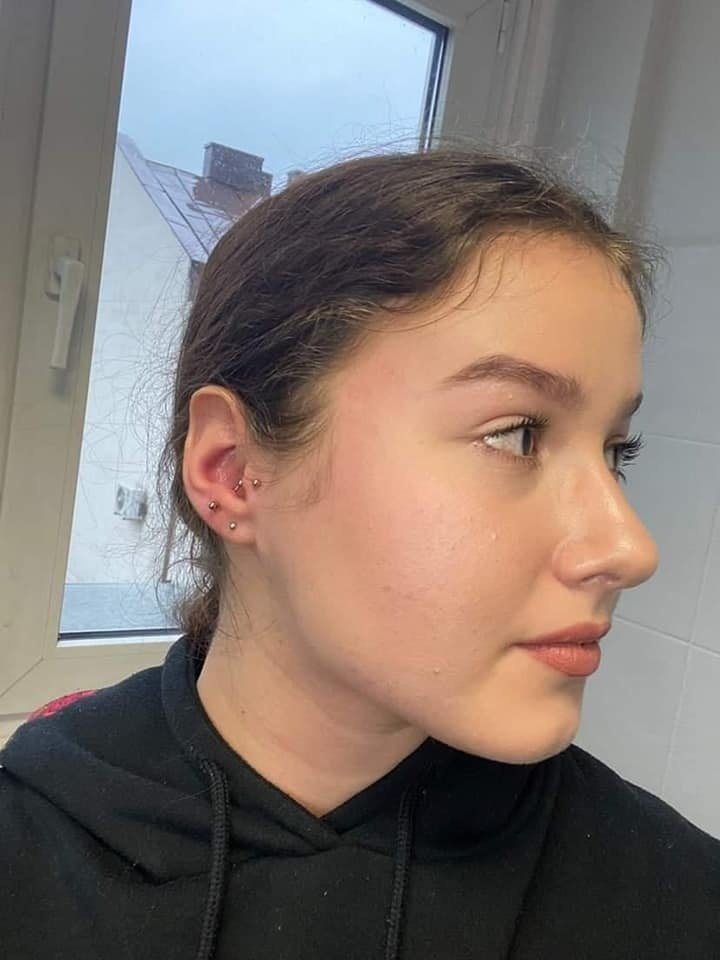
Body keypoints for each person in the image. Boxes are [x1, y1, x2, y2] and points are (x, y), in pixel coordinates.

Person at [2, 145, 719, 960]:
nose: (629, 547)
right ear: (232, 472)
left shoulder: (676, 903)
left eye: (617, 451)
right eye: (517, 434)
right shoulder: (30, 854)